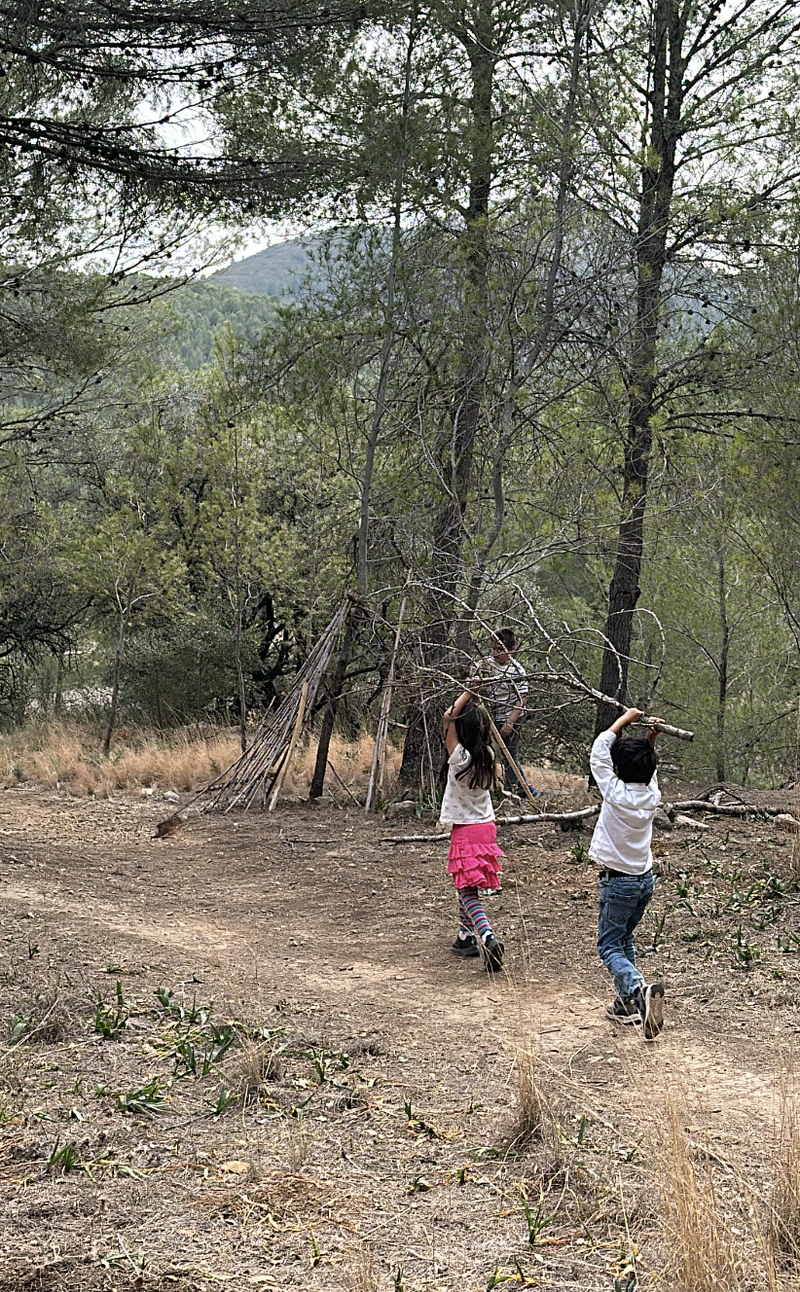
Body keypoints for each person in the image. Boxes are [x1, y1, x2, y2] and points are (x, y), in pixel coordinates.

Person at [589, 706, 665, 1040]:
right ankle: (627, 1005)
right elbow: (648, 770)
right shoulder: (651, 795)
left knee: (609, 946)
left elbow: (599, 752)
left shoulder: (614, 792)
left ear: (618, 770)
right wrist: (650, 739)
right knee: (625, 939)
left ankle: (637, 990)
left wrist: (624, 721)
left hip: (618, 882)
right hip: (644, 880)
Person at [440, 689, 505, 972]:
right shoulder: (487, 754)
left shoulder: (459, 757)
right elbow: (454, 718)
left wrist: (467, 692)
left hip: (465, 831)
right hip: (486, 829)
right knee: (466, 885)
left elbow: (448, 716)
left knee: (468, 893)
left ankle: (487, 936)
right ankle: (464, 937)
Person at [470, 628, 532, 795]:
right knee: (500, 753)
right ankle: (512, 787)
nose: (496, 653)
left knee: (510, 754)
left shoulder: (517, 670)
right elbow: (474, 674)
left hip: (513, 715)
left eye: (500, 649)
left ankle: (522, 789)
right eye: (494, 648)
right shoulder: (487, 663)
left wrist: (510, 722)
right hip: (495, 713)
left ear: (512, 650)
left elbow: (522, 698)